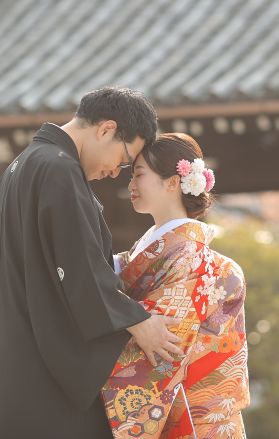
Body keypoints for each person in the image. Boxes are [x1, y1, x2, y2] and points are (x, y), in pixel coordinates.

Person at [0, 88, 184, 439]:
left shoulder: (21, 165)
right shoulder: (59, 168)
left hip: (16, 356)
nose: (116, 173)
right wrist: (138, 321)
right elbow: (77, 263)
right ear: (106, 129)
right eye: (123, 160)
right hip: (46, 371)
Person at [102, 133, 249, 439]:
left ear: (172, 182)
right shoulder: (155, 253)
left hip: (197, 420)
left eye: (138, 175)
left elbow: (160, 349)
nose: (130, 186)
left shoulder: (192, 261)